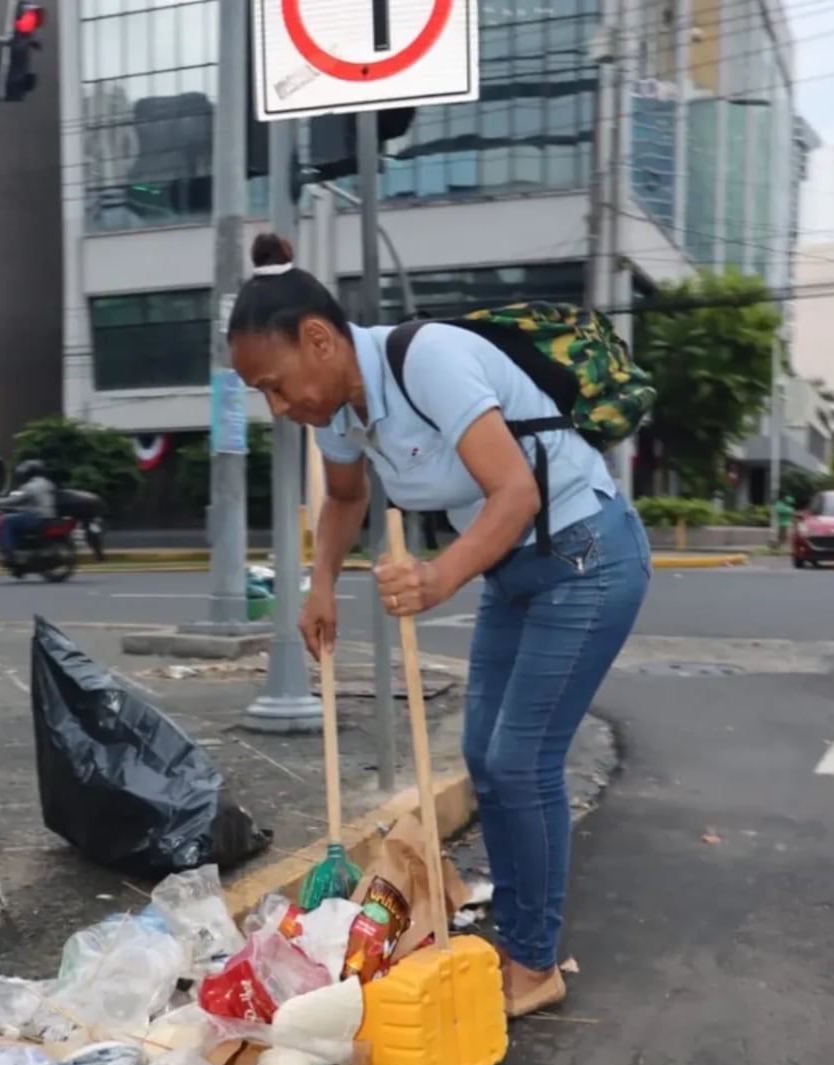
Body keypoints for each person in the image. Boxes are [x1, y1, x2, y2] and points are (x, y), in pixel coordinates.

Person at [227, 233, 652, 1018]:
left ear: (319, 340)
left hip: (586, 556)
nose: (279, 408)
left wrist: (434, 578)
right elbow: (346, 499)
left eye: (277, 385)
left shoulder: (428, 359)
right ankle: (522, 931)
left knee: (523, 759)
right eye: (264, 395)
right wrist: (321, 586)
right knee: (485, 756)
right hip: (515, 569)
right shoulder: (338, 412)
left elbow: (515, 491)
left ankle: (533, 960)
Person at [0, 459, 56, 565]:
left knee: (6, 521)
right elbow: (34, 502)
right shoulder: (48, 483)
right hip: (49, 516)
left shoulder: (30, 486)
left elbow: (16, 500)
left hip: (37, 518)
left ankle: (10, 553)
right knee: (17, 518)